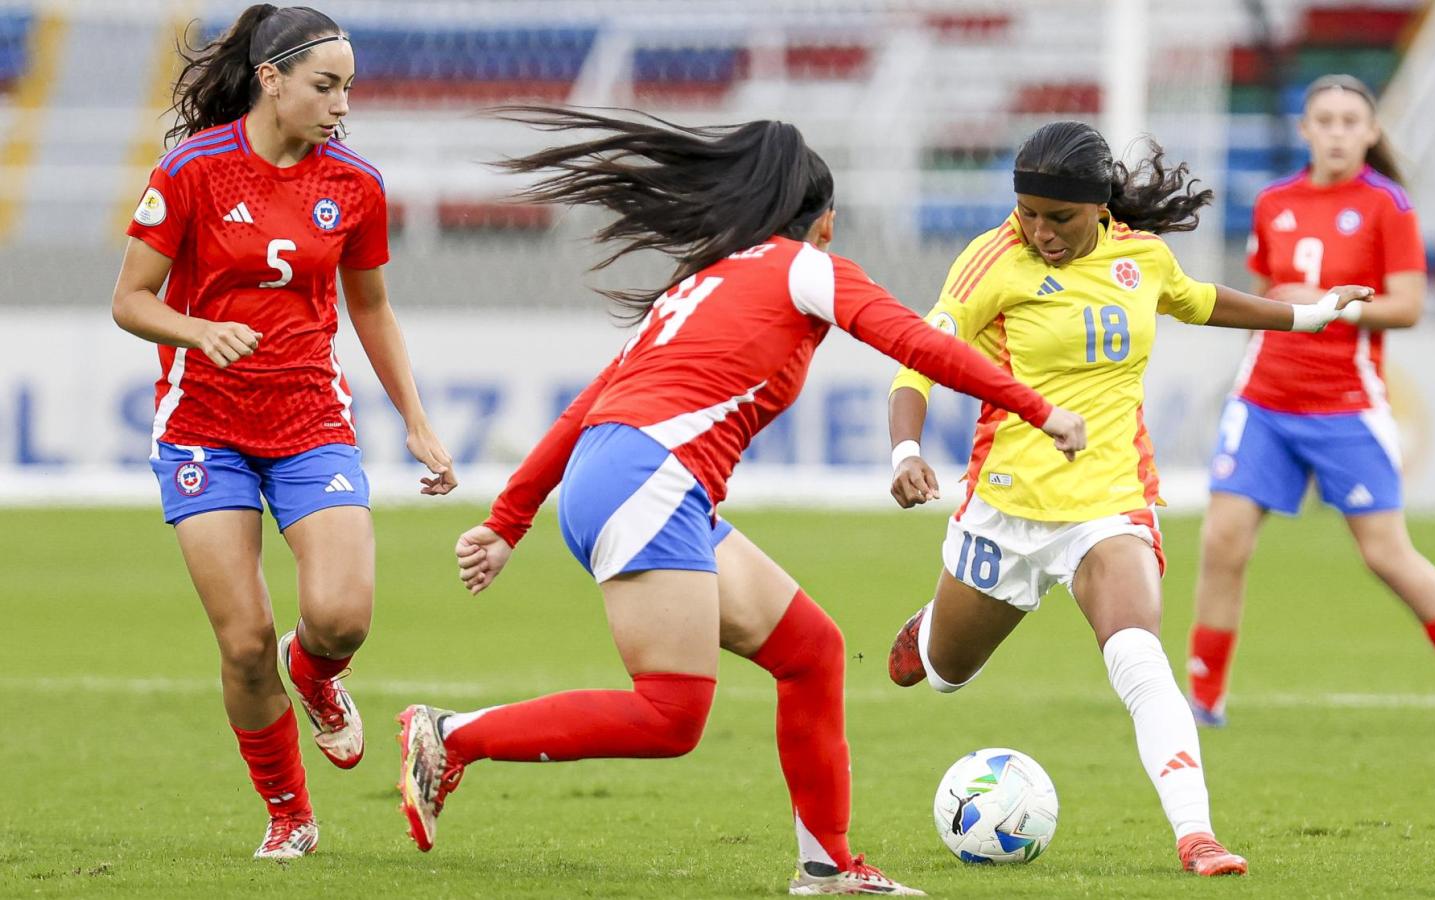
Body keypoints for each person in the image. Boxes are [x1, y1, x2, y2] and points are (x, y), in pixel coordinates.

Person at [392, 105, 1088, 896]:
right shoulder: (804, 266)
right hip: (649, 481)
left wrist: (508, 521)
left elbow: (588, 403)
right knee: (671, 714)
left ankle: (828, 867)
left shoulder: (700, 284)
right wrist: (1041, 408)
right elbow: (917, 341)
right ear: (824, 222)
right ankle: (451, 737)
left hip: (626, 474)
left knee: (811, 651)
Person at [881, 120, 1373, 877]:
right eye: (1028, 213)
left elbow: (1202, 300)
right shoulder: (990, 261)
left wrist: (1311, 314)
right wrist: (907, 451)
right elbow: (918, 355)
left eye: (1060, 218)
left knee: (1140, 658)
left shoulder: (1142, 257)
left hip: (1109, 502)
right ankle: (932, 624)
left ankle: (1197, 835)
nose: (1040, 232)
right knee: (941, 674)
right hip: (1006, 509)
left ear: (1101, 208)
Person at [111, 4, 457, 859]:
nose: (342, 104)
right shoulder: (192, 171)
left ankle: (321, 675)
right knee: (243, 643)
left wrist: (416, 421)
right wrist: (198, 332)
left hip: (309, 420)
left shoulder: (355, 185)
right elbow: (130, 301)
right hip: (203, 429)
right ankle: (289, 812)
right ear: (270, 80)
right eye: (325, 86)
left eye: (348, 88)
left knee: (340, 617)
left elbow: (371, 308)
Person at [1185, 74, 1435, 735]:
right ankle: (1202, 701)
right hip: (1263, 401)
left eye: (1349, 121)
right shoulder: (1274, 202)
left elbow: (1410, 306)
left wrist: (1331, 302)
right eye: (1324, 121)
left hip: (1344, 406)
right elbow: (1262, 299)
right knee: (1222, 541)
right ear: (1305, 130)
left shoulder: (1388, 205)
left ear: (1370, 133)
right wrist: (1282, 316)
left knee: (1386, 555)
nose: (1336, 132)